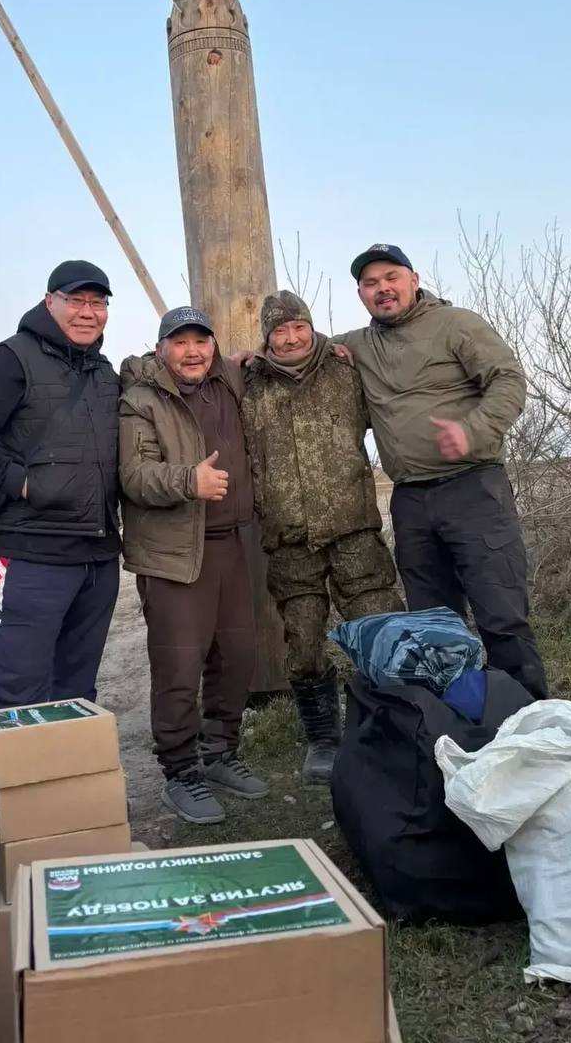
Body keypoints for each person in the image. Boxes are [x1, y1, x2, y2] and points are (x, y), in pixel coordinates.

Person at [335, 243, 548, 700]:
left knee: (501, 614)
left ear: (413, 280)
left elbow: (509, 379)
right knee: (433, 624)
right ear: (361, 294)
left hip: (474, 489)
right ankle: (460, 722)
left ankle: (529, 719)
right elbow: (299, 347)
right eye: (371, 283)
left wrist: (473, 430)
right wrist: (252, 356)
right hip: (411, 500)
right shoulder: (357, 345)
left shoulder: (457, 324)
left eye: (391, 277)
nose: (382, 288)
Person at [0, 260, 121, 713]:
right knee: (16, 699)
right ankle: (13, 766)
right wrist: (20, 483)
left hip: (97, 561)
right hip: (30, 559)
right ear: (49, 302)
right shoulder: (14, 357)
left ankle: (67, 763)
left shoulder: (104, 373)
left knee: (77, 697)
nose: (87, 312)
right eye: (75, 300)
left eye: (97, 302)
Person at [241, 292, 403, 785]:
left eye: (299, 328)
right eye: (279, 331)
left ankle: (392, 727)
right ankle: (323, 740)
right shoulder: (247, 384)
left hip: (354, 532)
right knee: (304, 643)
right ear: (266, 338)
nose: (291, 339)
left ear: (312, 329)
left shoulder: (346, 370)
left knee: (379, 631)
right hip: (290, 541)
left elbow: (396, 383)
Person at [119, 305, 268, 824]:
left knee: (237, 657)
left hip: (231, 545)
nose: (192, 352)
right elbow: (134, 476)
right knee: (179, 669)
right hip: (174, 553)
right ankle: (180, 773)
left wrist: (330, 347)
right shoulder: (141, 400)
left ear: (213, 346)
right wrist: (189, 481)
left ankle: (220, 753)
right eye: (180, 342)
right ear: (161, 348)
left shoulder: (227, 381)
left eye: (200, 341)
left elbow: (278, 355)